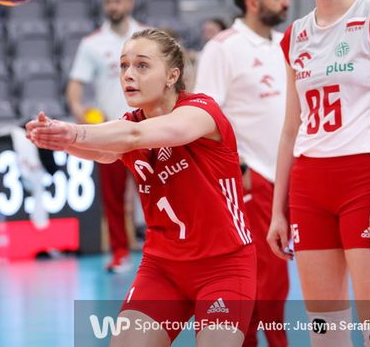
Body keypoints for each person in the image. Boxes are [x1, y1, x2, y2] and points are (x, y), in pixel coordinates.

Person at [28, 29, 256, 346]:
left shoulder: (202, 111)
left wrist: (74, 133)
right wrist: (57, 139)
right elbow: (104, 151)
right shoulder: (130, 123)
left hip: (224, 265)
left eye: (142, 65)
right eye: (123, 65)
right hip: (162, 268)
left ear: (172, 76)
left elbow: (134, 137)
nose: (128, 75)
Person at [267, 0, 370, 346]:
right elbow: (290, 129)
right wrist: (278, 210)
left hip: (364, 179)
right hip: (309, 186)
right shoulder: (295, 35)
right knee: (325, 330)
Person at [195, 0, 290, 347]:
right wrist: (241, 168)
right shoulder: (223, 48)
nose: (286, 2)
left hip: (292, 177)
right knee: (259, 278)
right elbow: (204, 117)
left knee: (280, 280)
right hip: (253, 179)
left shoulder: (286, 43)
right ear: (253, 2)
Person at [66, 0, 146, 273]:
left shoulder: (147, 37)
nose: (114, 6)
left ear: (130, 2)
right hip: (111, 133)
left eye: (118, 0)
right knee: (112, 198)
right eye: (109, 1)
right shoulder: (92, 44)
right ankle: (120, 253)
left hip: (147, 130)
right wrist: (81, 112)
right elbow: (75, 88)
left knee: (158, 191)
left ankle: (163, 249)